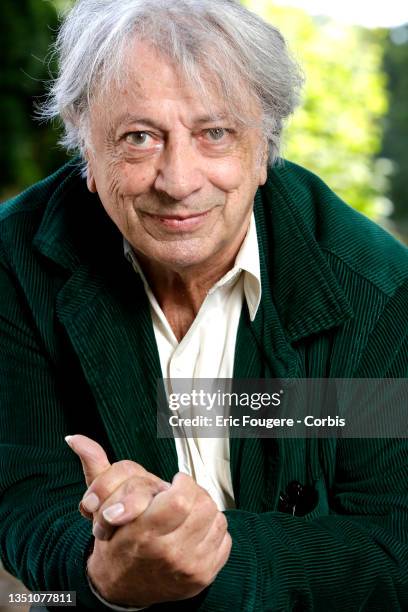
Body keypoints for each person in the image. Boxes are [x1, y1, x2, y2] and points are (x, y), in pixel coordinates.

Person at [0, 0, 407, 610]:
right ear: (86, 151)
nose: (179, 179)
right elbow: (25, 491)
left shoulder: (378, 292)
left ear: (265, 147)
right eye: (139, 138)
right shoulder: (15, 259)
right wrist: (102, 570)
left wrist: (207, 553)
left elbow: (389, 543)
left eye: (215, 133)